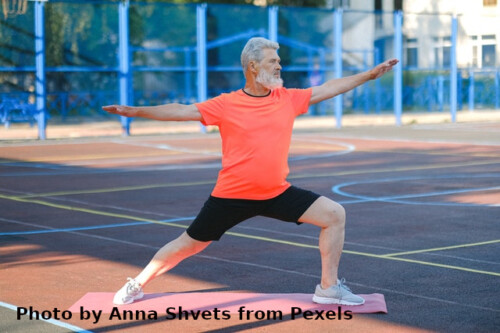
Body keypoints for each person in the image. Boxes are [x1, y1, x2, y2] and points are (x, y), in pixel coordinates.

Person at [103, 37, 398, 306]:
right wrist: (137, 111)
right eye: (273, 61)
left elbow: (330, 87)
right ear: (254, 67)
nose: (279, 66)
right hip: (231, 196)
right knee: (188, 245)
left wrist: (369, 75)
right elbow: (182, 110)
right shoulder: (226, 104)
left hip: (276, 192)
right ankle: (137, 283)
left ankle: (328, 288)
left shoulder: (288, 99)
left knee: (334, 214)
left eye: (279, 61)